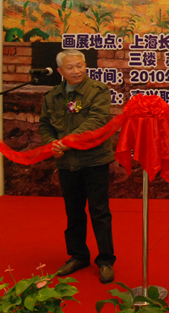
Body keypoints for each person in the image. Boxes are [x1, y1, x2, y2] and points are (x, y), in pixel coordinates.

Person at [39, 50, 116, 284]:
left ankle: (105, 260)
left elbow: (97, 120)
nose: (76, 71)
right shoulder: (52, 96)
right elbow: (45, 125)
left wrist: (67, 142)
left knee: (99, 212)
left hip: (94, 160)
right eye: (70, 67)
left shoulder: (98, 90)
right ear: (60, 71)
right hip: (66, 162)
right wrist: (52, 144)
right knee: (73, 212)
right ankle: (78, 255)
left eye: (80, 65)